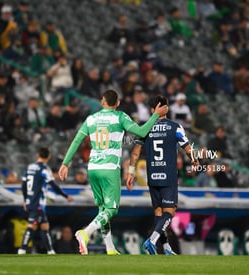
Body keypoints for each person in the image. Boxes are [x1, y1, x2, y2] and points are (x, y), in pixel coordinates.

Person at [58, 89, 168, 255]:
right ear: (117, 103)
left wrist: (65, 163)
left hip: (93, 168)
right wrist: (155, 116)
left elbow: (76, 141)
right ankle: (85, 233)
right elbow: (142, 132)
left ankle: (110, 248)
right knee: (112, 209)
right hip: (109, 168)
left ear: (102, 102)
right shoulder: (120, 117)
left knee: (103, 209)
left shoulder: (91, 119)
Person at [125, 95, 198, 255]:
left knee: (159, 212)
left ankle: (165, 247)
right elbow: (186, 147)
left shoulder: (145, 128)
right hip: (168, 175)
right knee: (169, 212)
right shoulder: (175, 127)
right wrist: (195, 160)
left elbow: (135, 153)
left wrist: (130, 172)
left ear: (152, 110)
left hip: (152, 175)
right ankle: (152, 240)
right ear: (166, 108)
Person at [18, 147, 73, 255]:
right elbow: (53, 184)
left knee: (44, 226)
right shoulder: (44, 169)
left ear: (38, 155)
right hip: (38, 202)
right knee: (32, 226)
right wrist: (65, 196)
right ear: (48, 157)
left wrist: (25, 200)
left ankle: (50, 251)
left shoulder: (30, 167)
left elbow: (23, 185)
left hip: (30, 201)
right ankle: (22, 249)